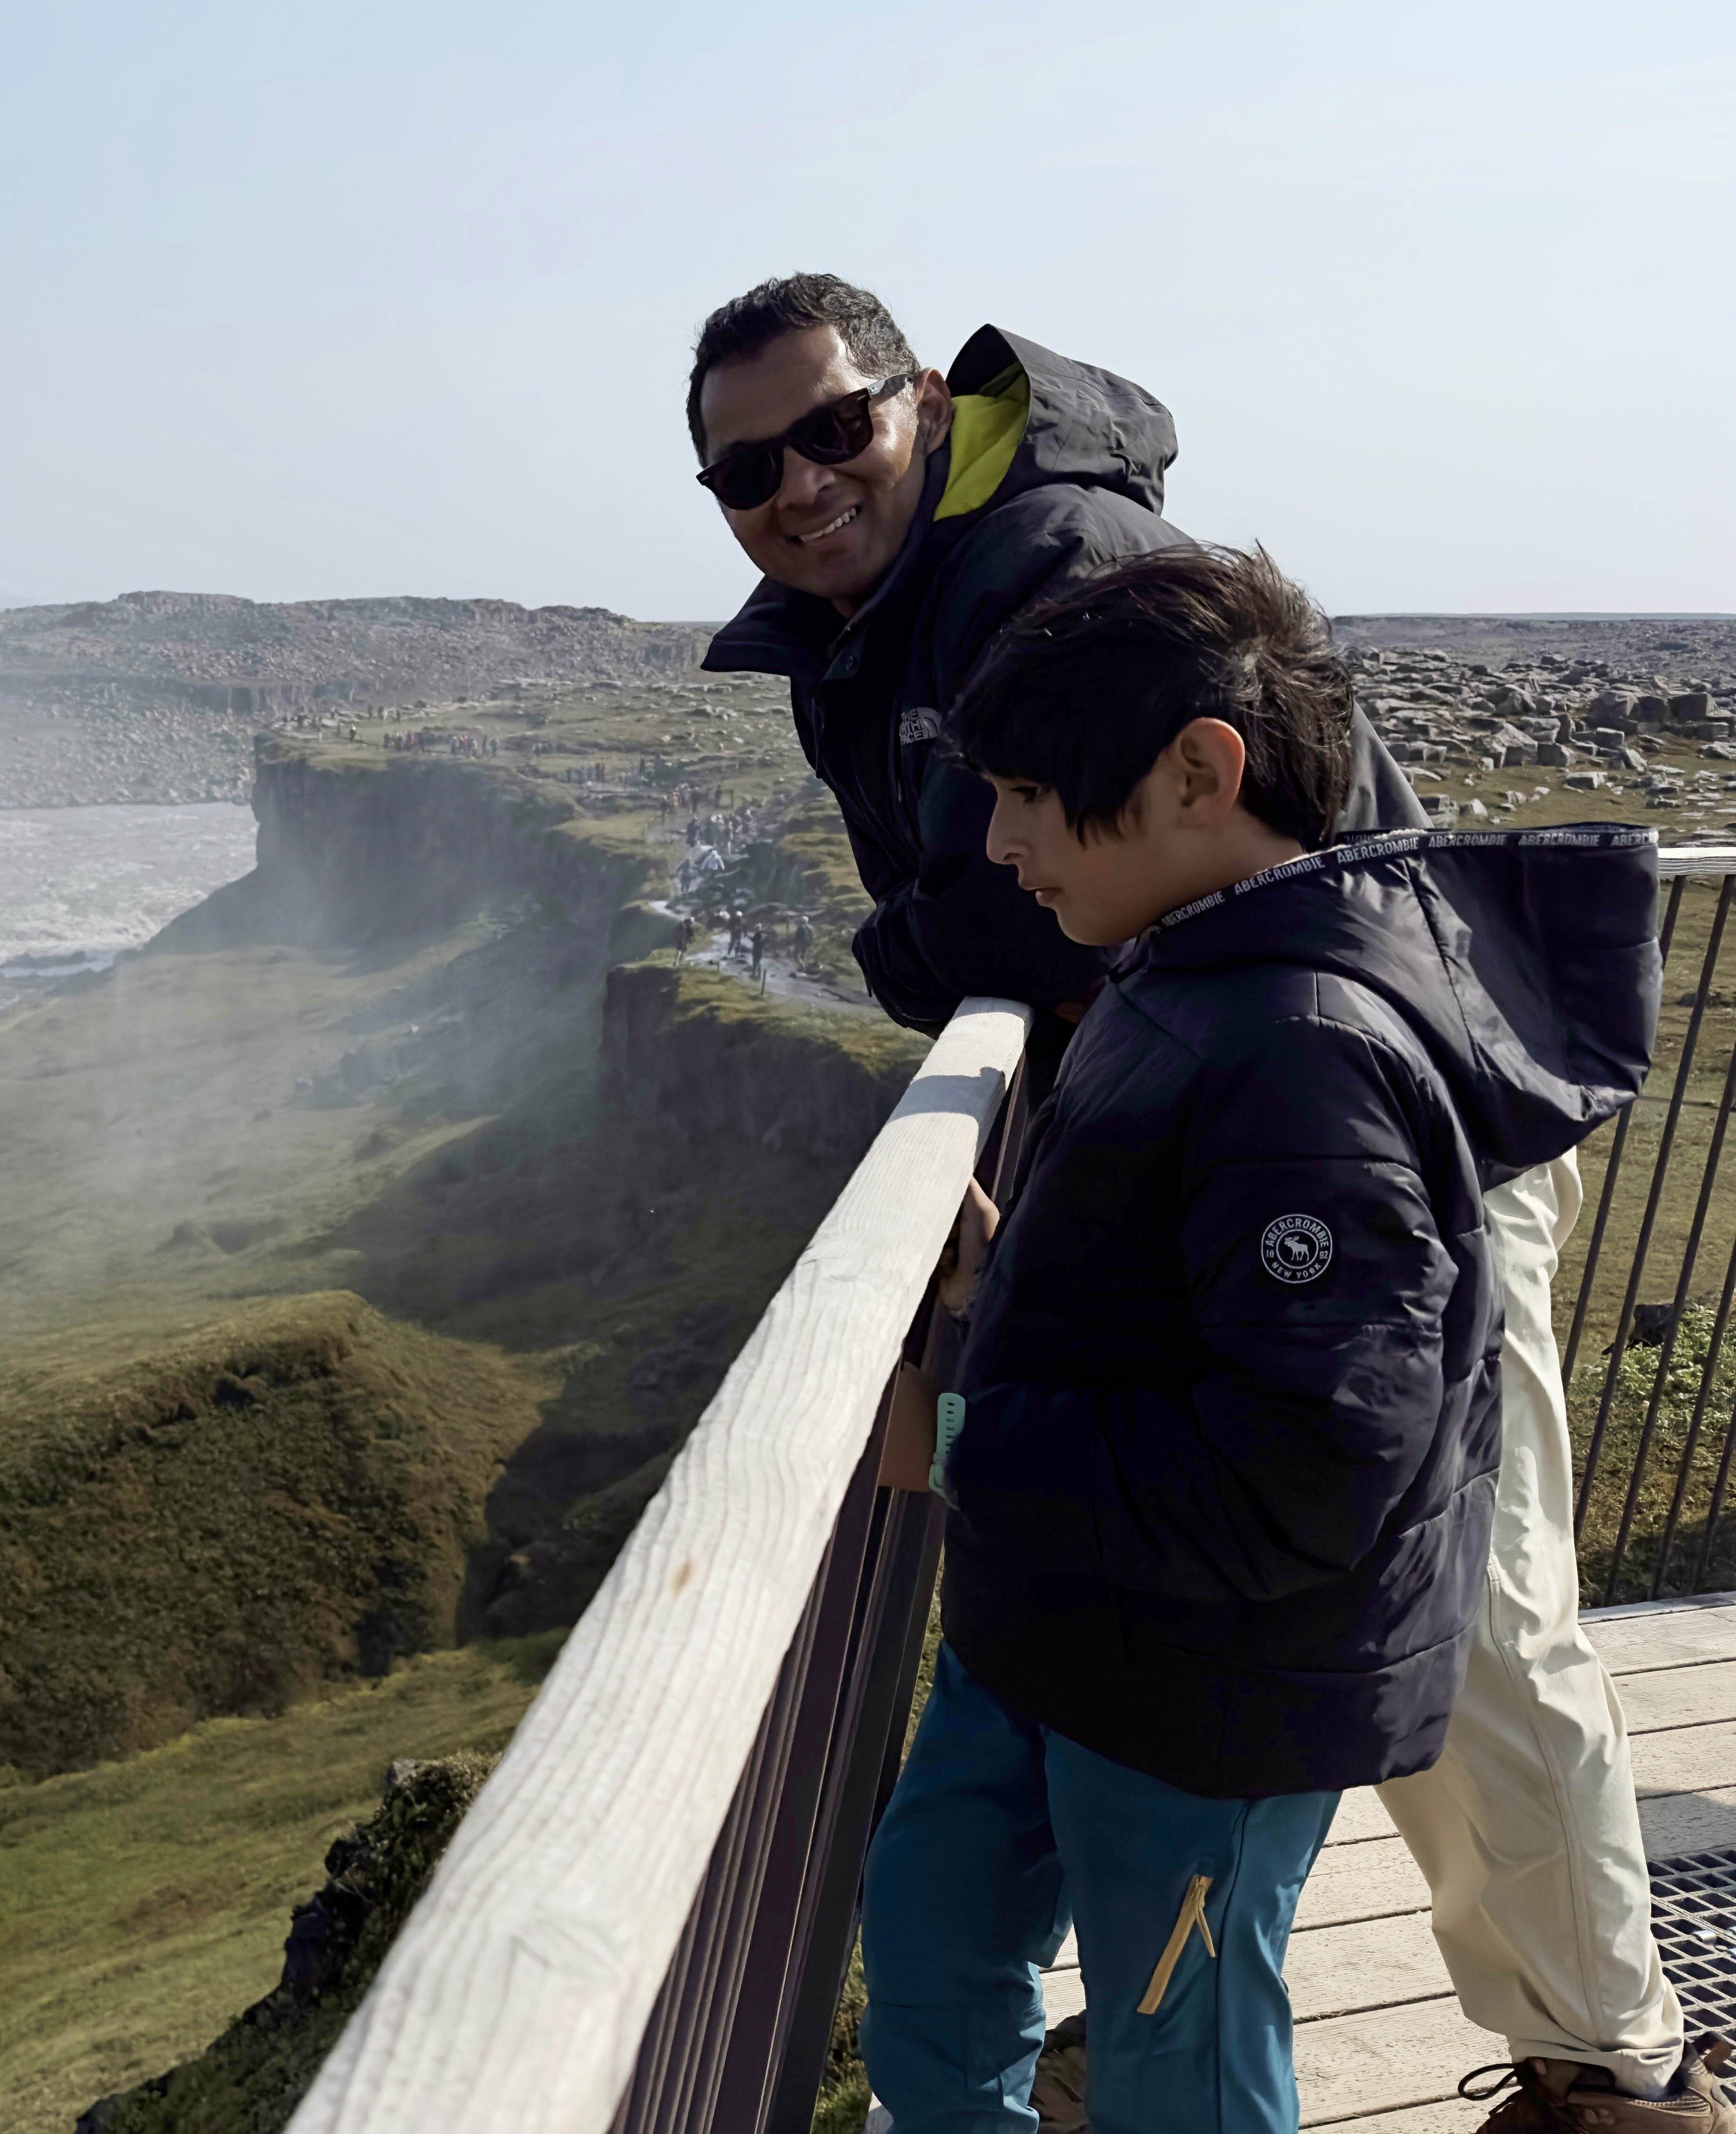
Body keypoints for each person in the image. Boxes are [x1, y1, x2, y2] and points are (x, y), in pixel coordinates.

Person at [685, 273, 1721, 2126]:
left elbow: (993, 917)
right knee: (1417, 1592)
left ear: (922, 400)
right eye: (746, 467)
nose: (798, 484)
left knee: (1467, 1604)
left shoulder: (1053, 574)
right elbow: (1030, 902)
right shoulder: (916, 617)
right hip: (1238, 1114)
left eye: (832, 428)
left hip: (1377, 1132)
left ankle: (1607, 2069)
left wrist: (976, 1431)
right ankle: (1213, 1967)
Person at [858, 544, 1666, 2128]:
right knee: (936, 1933)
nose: (999, 843)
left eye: (1028, 791)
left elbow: (1303, 1463)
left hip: (1203, 1697)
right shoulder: (1190, 977)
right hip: (1076, 1630)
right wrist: (1008, 1290)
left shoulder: (1306, 1056)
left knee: (1188, 2069)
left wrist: (962, 1439)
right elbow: (1197, 1295)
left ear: (1200, 772)